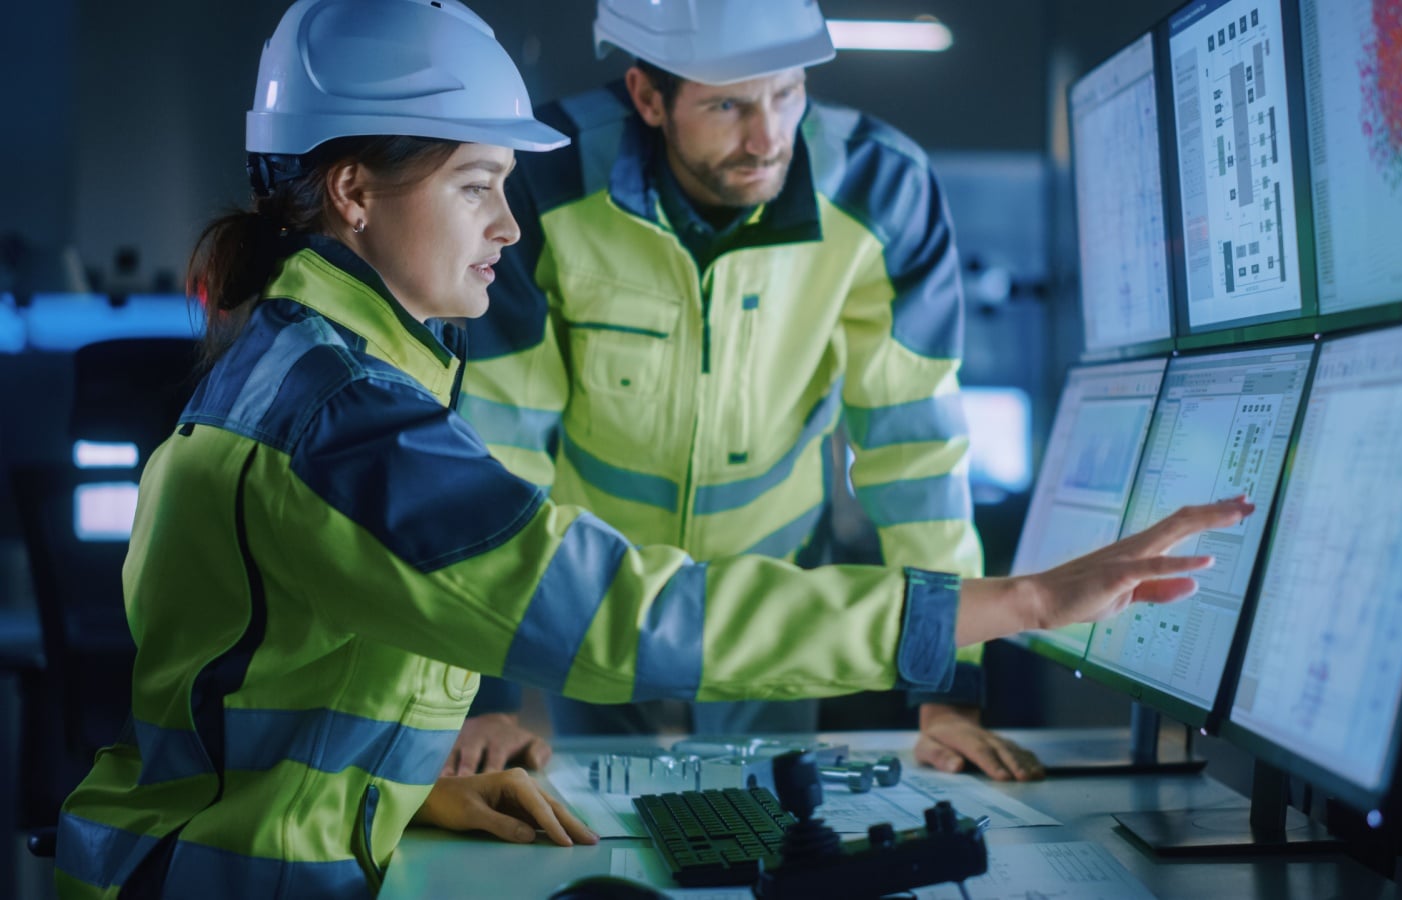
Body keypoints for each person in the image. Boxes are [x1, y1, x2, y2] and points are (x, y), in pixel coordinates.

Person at [55, 0, 1251, 896]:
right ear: (355, 194)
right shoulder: (345, 422)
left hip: (258, 843)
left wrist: (409, 784)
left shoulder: (318, 367)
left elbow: (905, 445)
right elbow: (616, 612)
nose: (508, 226)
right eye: (476, 185)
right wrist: (1024, 599)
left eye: (785, 94)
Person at [455, 0, 1039, 780]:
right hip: (588, 582)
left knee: (767, 830)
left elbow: (917, 453)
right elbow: (500, 440)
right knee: (583, 827)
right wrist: (488, 688)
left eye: (787, 93)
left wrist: (948, 690)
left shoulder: (881, 189)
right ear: (648, 96)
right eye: (727, 104)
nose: (768, 138)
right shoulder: (543, 180)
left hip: (775, 589)